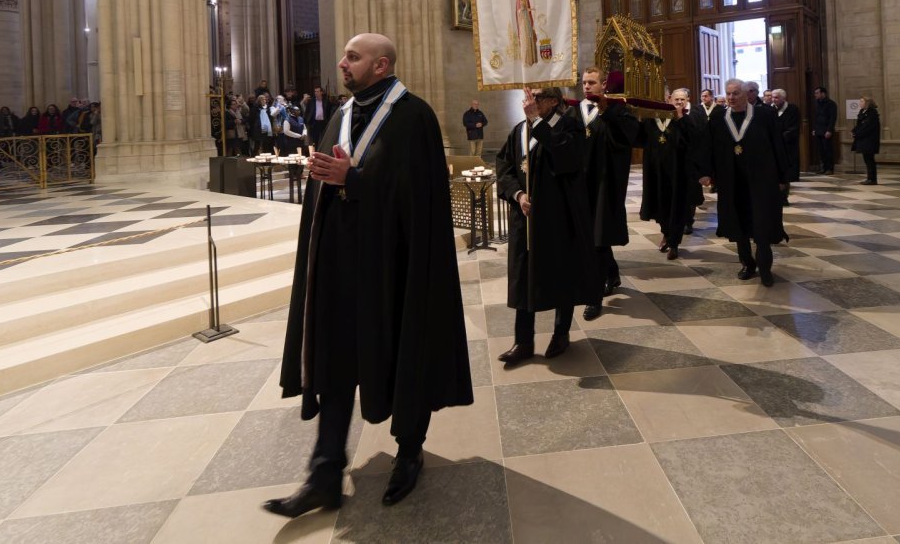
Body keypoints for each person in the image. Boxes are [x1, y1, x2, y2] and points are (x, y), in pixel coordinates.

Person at [270, 33, 472, 517]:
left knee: (405, 350)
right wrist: (324, 177)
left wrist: (353, 180)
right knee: (335, 363)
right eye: (344, 56)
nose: (342, 63)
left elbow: (420, 198)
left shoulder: (413, 117)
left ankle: (409, 452)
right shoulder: (340, 115)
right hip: (341, 268)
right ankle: (323, 474)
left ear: (380, 65)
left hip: (397, 268)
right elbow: (337, 178)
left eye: (353, 57)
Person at [495, 87, 599, 364]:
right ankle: (523, 341)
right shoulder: (519, 130)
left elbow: (568, 159)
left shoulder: (570, 125)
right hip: (525, 217)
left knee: (560, 273)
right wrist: (518, 194)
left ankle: (561, 333)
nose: (529, 102)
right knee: (522, 276)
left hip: (558, 217)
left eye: (537, 97)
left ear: (553, 101)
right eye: (528, 97)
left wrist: (538, 124)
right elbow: (504, 166)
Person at [697, 78, 788, 287]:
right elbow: (708, 147)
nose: (731, 98)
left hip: (760, 181)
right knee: (738, 225)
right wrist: (705, 172)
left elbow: (777, 145)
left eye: (736, 93)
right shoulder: (719, 118)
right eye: (728, 94)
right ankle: (747, 263)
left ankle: (765, 268)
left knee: (762, 225)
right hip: (731, 182)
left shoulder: (764, 115)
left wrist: (783, 177)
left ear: (747, 94)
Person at [566, 68, 639, 321]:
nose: (586, 87)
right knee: (593, 239)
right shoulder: (573, 111)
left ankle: (593, 298)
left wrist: (608, 111)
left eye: (592, 82)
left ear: (603, 84)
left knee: (597, 239)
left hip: (604, 185)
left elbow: (629, 137)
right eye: (584, 82)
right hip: (579, 186)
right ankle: (612, 273)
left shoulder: (617, 110)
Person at [639, 89, 703, 260]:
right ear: (669, 99)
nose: (679, 102)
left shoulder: (686, 120)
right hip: (656, 172)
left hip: (678, 172)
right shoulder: (652, 120)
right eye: (676, 99)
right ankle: (666, 233)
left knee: (677, 208)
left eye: (682, 100)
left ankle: (674, 243)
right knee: (660, 206)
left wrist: (681, 118)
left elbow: (693, 140)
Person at [771, 89, 800, 203]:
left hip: (788, 144)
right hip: (775, 144)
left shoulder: (792, 109)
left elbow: (793, 127)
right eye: (773, 97)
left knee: (785, 170)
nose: (774, 99)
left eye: (776, 97)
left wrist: (781, 137)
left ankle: (784, 196)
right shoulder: (770, 109)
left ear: (783, 98)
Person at [851, 94, 881, 185]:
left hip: (870, 139)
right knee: (866, 159)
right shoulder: (862, 111)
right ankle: (869, 178)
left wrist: (857, 134)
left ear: (867, 103)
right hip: (863, 139)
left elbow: (867, 127)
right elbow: (859, 125)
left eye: (862, 101)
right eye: (860, 101)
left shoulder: (872, 113)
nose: (860, 103)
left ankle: (873, 179)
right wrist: (854, 131)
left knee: (869, 159)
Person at [812, 87, 837, 173]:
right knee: (821, 151)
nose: (815, 95)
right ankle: (824, 168)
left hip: (826, 130)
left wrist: (829, 130)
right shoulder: (817, 103)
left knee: (828, 150)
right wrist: (814, 129)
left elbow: (832, 118)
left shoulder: (831, 104)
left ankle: (830, 168)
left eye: (817, 93)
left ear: (823, 93)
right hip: (818, 130)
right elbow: (816, 117)